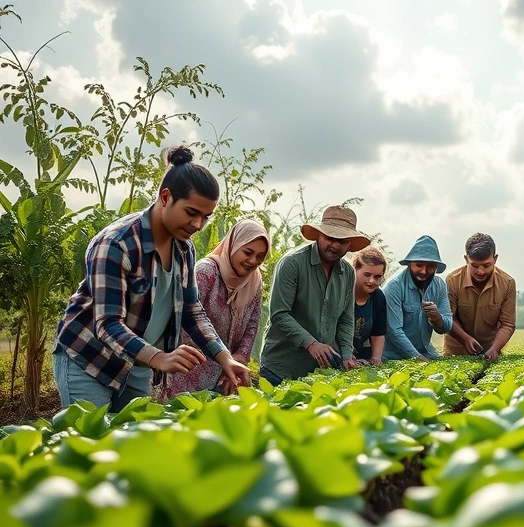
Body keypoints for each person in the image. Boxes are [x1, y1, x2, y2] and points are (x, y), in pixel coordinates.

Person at [53, 146, 251, 411]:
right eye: (191, 213)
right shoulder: (117, 244)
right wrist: (159, 357)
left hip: (137, 364)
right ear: (166, 197)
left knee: (133, 443)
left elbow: (193, 312)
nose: (198, 225)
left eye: (206, 217)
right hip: (90, 358)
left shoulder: (184, 248)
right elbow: (108, 324)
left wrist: (225, 358)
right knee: (93, 441)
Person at [156, 220, 271, 401]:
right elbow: (186, 320)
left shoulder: (254, 281)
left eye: (260, 256)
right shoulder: (206, 272)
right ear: (233, 246)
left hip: (225, 376)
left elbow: (252, 326)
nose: (252, 261)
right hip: (188, 371)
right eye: (248, 253)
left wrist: (236, 361)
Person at [260, 206, 369, 384]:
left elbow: (346, 318)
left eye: (341, 241)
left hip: (320, 374)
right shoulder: (293, 263)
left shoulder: (348, 272)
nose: (334, 245)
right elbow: (279, 314)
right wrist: (311, 344)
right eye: (329, 238)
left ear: (349, 244)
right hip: (281, 368)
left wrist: (347, 355)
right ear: (319, 235)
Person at [444, 233, 517, 360]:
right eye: (475, 266)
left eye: (486, 265)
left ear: (495, 258)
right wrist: (464, 338)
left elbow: (507, 324)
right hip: (456, 351)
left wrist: (495, 349)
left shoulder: (507, 283)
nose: (480, 271)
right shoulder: (452, 281)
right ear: (466, 259)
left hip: (489, 351)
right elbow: (448, 317)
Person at [382, 235, 452, 360]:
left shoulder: (440, 285)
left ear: (436, 267)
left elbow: (446, 327)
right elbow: (394, 331)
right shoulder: (395, 286)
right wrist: (418, 358)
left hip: (425, 352)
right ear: (410, 264)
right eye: (419, 265)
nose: (424, 271)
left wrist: (437, 318)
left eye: (430, 266)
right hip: (392, 355)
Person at [352, 246, 388, 366]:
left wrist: (376, 358)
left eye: (377, 277)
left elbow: (378, 333)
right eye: (367, 275)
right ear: (355, 270)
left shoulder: (378, 296)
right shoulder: (343, 292)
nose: (372, 281)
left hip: (362, 355)